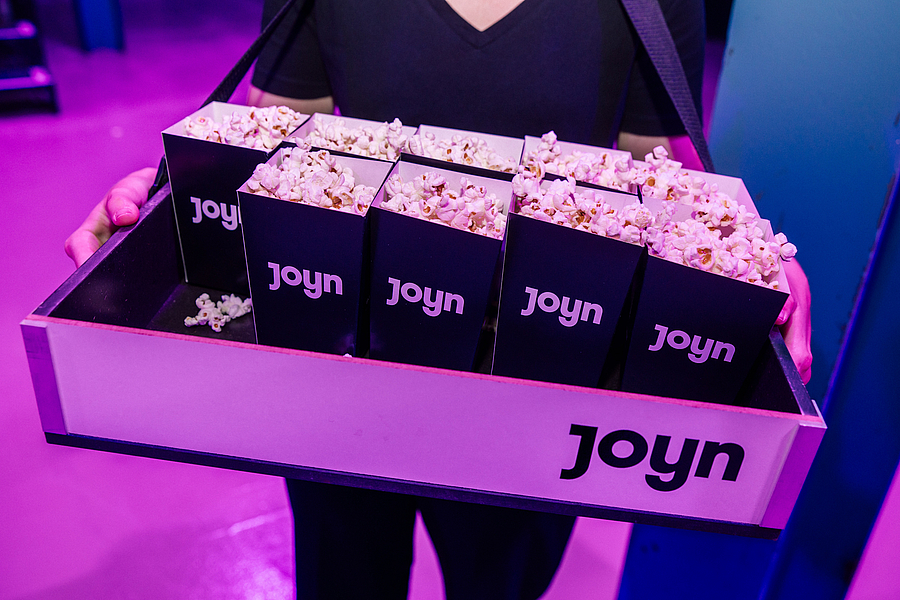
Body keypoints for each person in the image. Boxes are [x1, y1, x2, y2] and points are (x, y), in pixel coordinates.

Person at [65, 0, 813, 597]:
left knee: (502, 575)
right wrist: (173, 195)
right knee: (342, 570)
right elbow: (274, 138)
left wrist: (740, 256)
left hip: (539, 371)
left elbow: (660, 179)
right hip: (342, 359)